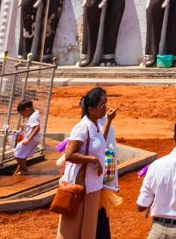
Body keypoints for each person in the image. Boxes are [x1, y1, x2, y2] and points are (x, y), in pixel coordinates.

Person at [58, 86, 118, 239]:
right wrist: (92, 160)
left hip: (92, 186)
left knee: (88, 228)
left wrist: (109, 121)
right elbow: (69, 154)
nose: (105, 107)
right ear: (90, 109)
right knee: (72, 228)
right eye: (101, 105)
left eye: (106, 103)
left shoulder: (96, 125)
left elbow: (101, 141)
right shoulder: (82, 128)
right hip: (80, 185)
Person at [14, 98, 42, 176]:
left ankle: (25, 170)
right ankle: (17, 172)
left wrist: (28, 139)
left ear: (27, 109)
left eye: (22, 114)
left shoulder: (33, 117)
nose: (22, 116)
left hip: (31, 139)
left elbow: (37, 128)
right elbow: (31, 126)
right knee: (22, 155)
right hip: (33, 139)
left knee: (17, 154)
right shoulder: (34, 113)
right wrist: (24, 127)